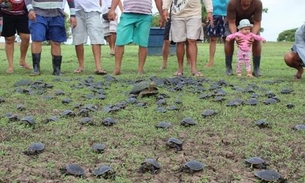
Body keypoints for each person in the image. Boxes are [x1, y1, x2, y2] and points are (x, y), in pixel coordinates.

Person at [108, 0, 163, 75]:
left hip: (145, 15)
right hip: (127, 14)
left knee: (143, 43)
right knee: (120, 41)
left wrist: (161, 14)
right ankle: (117, 69)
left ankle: (140, 70)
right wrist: (112, 9)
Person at [25, 0, 77, 76]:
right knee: (37, 39)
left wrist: (73, 15)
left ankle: (57, 70)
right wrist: (30, 10)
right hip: (37, 14)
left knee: (56, 41)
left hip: (57, 14)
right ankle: (36, 69)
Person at [162, 0, 213, 77]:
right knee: (180, 41)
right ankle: (180, 69)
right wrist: (165, 8)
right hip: (177, 14)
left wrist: (209, 11)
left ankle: (194, 69)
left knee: (192, 40)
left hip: (194, 13)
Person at [225, 0, 263, 77]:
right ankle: (228, 67)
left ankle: (256, 68)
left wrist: (252, 36)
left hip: (250, 23)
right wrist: (236, 35)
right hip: (234, 22)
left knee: (256, 40)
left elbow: (257, 23)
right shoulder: (232, 3)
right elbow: (231, 22)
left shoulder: (258, 3)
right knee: (229, 40)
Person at [72, 0, 107, 75]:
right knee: (78, 38)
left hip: (93, 10)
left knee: (96, 37)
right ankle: (81, 66)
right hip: (76, 11)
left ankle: (98, 66)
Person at [0, 0, 31, 74]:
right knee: (9, 39)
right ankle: (10, 65)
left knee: (26, 37)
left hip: (23, 13)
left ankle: (22, 61)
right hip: (6, 13)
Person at [205, 0, 229, 68]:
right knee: (212, 39)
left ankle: (227, 62)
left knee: (226, 39)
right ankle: (211, 62)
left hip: (226, 15)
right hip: (213, 15)